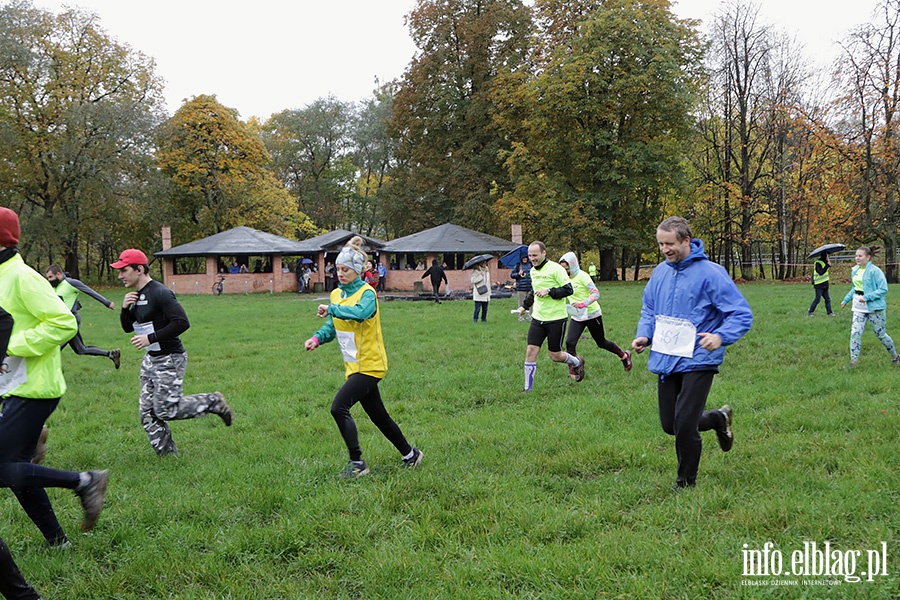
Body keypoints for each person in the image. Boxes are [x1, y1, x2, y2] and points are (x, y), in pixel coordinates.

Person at [0, 207, 109, 546]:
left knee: (4, 467)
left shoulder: (23, 277)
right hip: (11, 387)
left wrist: (10, 346)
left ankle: (85, 481)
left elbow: (63, 322)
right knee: (16, 470)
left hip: (35, 387)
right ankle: (58, 541)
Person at [632, 217, 753, 490]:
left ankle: (685, 484)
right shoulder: (660, 273)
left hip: (699, 357)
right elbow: (650, 310)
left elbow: (741, 314)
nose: (664, 249)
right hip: (666, 358)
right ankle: (718, 419)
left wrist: (720, 336)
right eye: (661, 244)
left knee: (685, 425)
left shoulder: (711, 273)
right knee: (671, 425)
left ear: (687, 240)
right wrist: (645, 334)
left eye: (670, 243)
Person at [304, 236, 423, 478]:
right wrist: (317, 338)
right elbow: (332, 325)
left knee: (338, 408)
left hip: (371, 365)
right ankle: (411, 454)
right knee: (379, 416)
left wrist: (333, 309)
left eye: (345, 269)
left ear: (357, 270)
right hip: (354, 366)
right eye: (337, 269)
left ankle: (357, 463)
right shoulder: (336, 295)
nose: (340, 273)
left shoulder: (367, 293)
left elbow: (360, 314)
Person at [112, 248, 234, 456]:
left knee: (167, 410)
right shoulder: (137, 295)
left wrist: (150, 338)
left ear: (139, 269)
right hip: (151, 359)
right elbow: (127, 328)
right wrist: (125, 309)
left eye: (124, 270)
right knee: (148, 413)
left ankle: (213, 402)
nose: (120, 275)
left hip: (169, 358)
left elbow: (181, 323)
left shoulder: (160, 293)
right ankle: (168, 456)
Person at [517, 241, 584, 390]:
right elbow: (534, 292)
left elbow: (568, 290)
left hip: (556, 319)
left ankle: (576, 362)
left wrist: (550, 291)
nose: (532, 258)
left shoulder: (556, 269)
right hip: (538, 318)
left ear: (543, 253)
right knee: (530, 351)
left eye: (535, 255)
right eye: (529, 255)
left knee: (555, 355)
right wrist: (524, 306)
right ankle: (528, 389)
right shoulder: (533, 271)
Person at [558, 252, 632, 376]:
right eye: (562, 268)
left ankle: (624, 356)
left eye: (566, 268)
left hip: (592, 314)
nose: (565, 271)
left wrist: (584, 303)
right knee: (570, 343)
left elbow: (596, 293)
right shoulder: (563, 279)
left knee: (601, 343)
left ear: (572, 265)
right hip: (577, 316)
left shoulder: (583, 276)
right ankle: (574, 368)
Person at [45, 264, 121, 369]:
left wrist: (107, 303)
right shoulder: (55, 287)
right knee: (81, 349)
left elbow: (90, 291)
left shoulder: (71, 283)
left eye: (50, 277)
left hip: (71, 322)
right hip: (61, 322)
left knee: (54, 348)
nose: (49, 280)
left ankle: (47, 375)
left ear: (58, 274)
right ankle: (111, 354)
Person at [840, 246, 900, 366]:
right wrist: (846, 299)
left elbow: (883, 289)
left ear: (868, 257)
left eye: (860, 256)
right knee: (855, 333)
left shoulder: (875, 271)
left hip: (875, 307)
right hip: (858, 307)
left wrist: (867, 297)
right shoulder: (855, 270)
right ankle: (854, 362)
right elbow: (855, 288)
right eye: (856, 255)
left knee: (880, 334)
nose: (857, 258)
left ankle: (895, 356)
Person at [511, 255, 533, 322]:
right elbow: (512, 275)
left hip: (530, 287)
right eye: (523, 258)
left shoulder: (531, 265)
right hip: (521, 288)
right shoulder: (518, 265)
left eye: (526, 258)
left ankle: (529, 316)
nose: (525, 259)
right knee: (521, 303)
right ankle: (520, 317)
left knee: (530, 303)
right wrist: (518, 274)